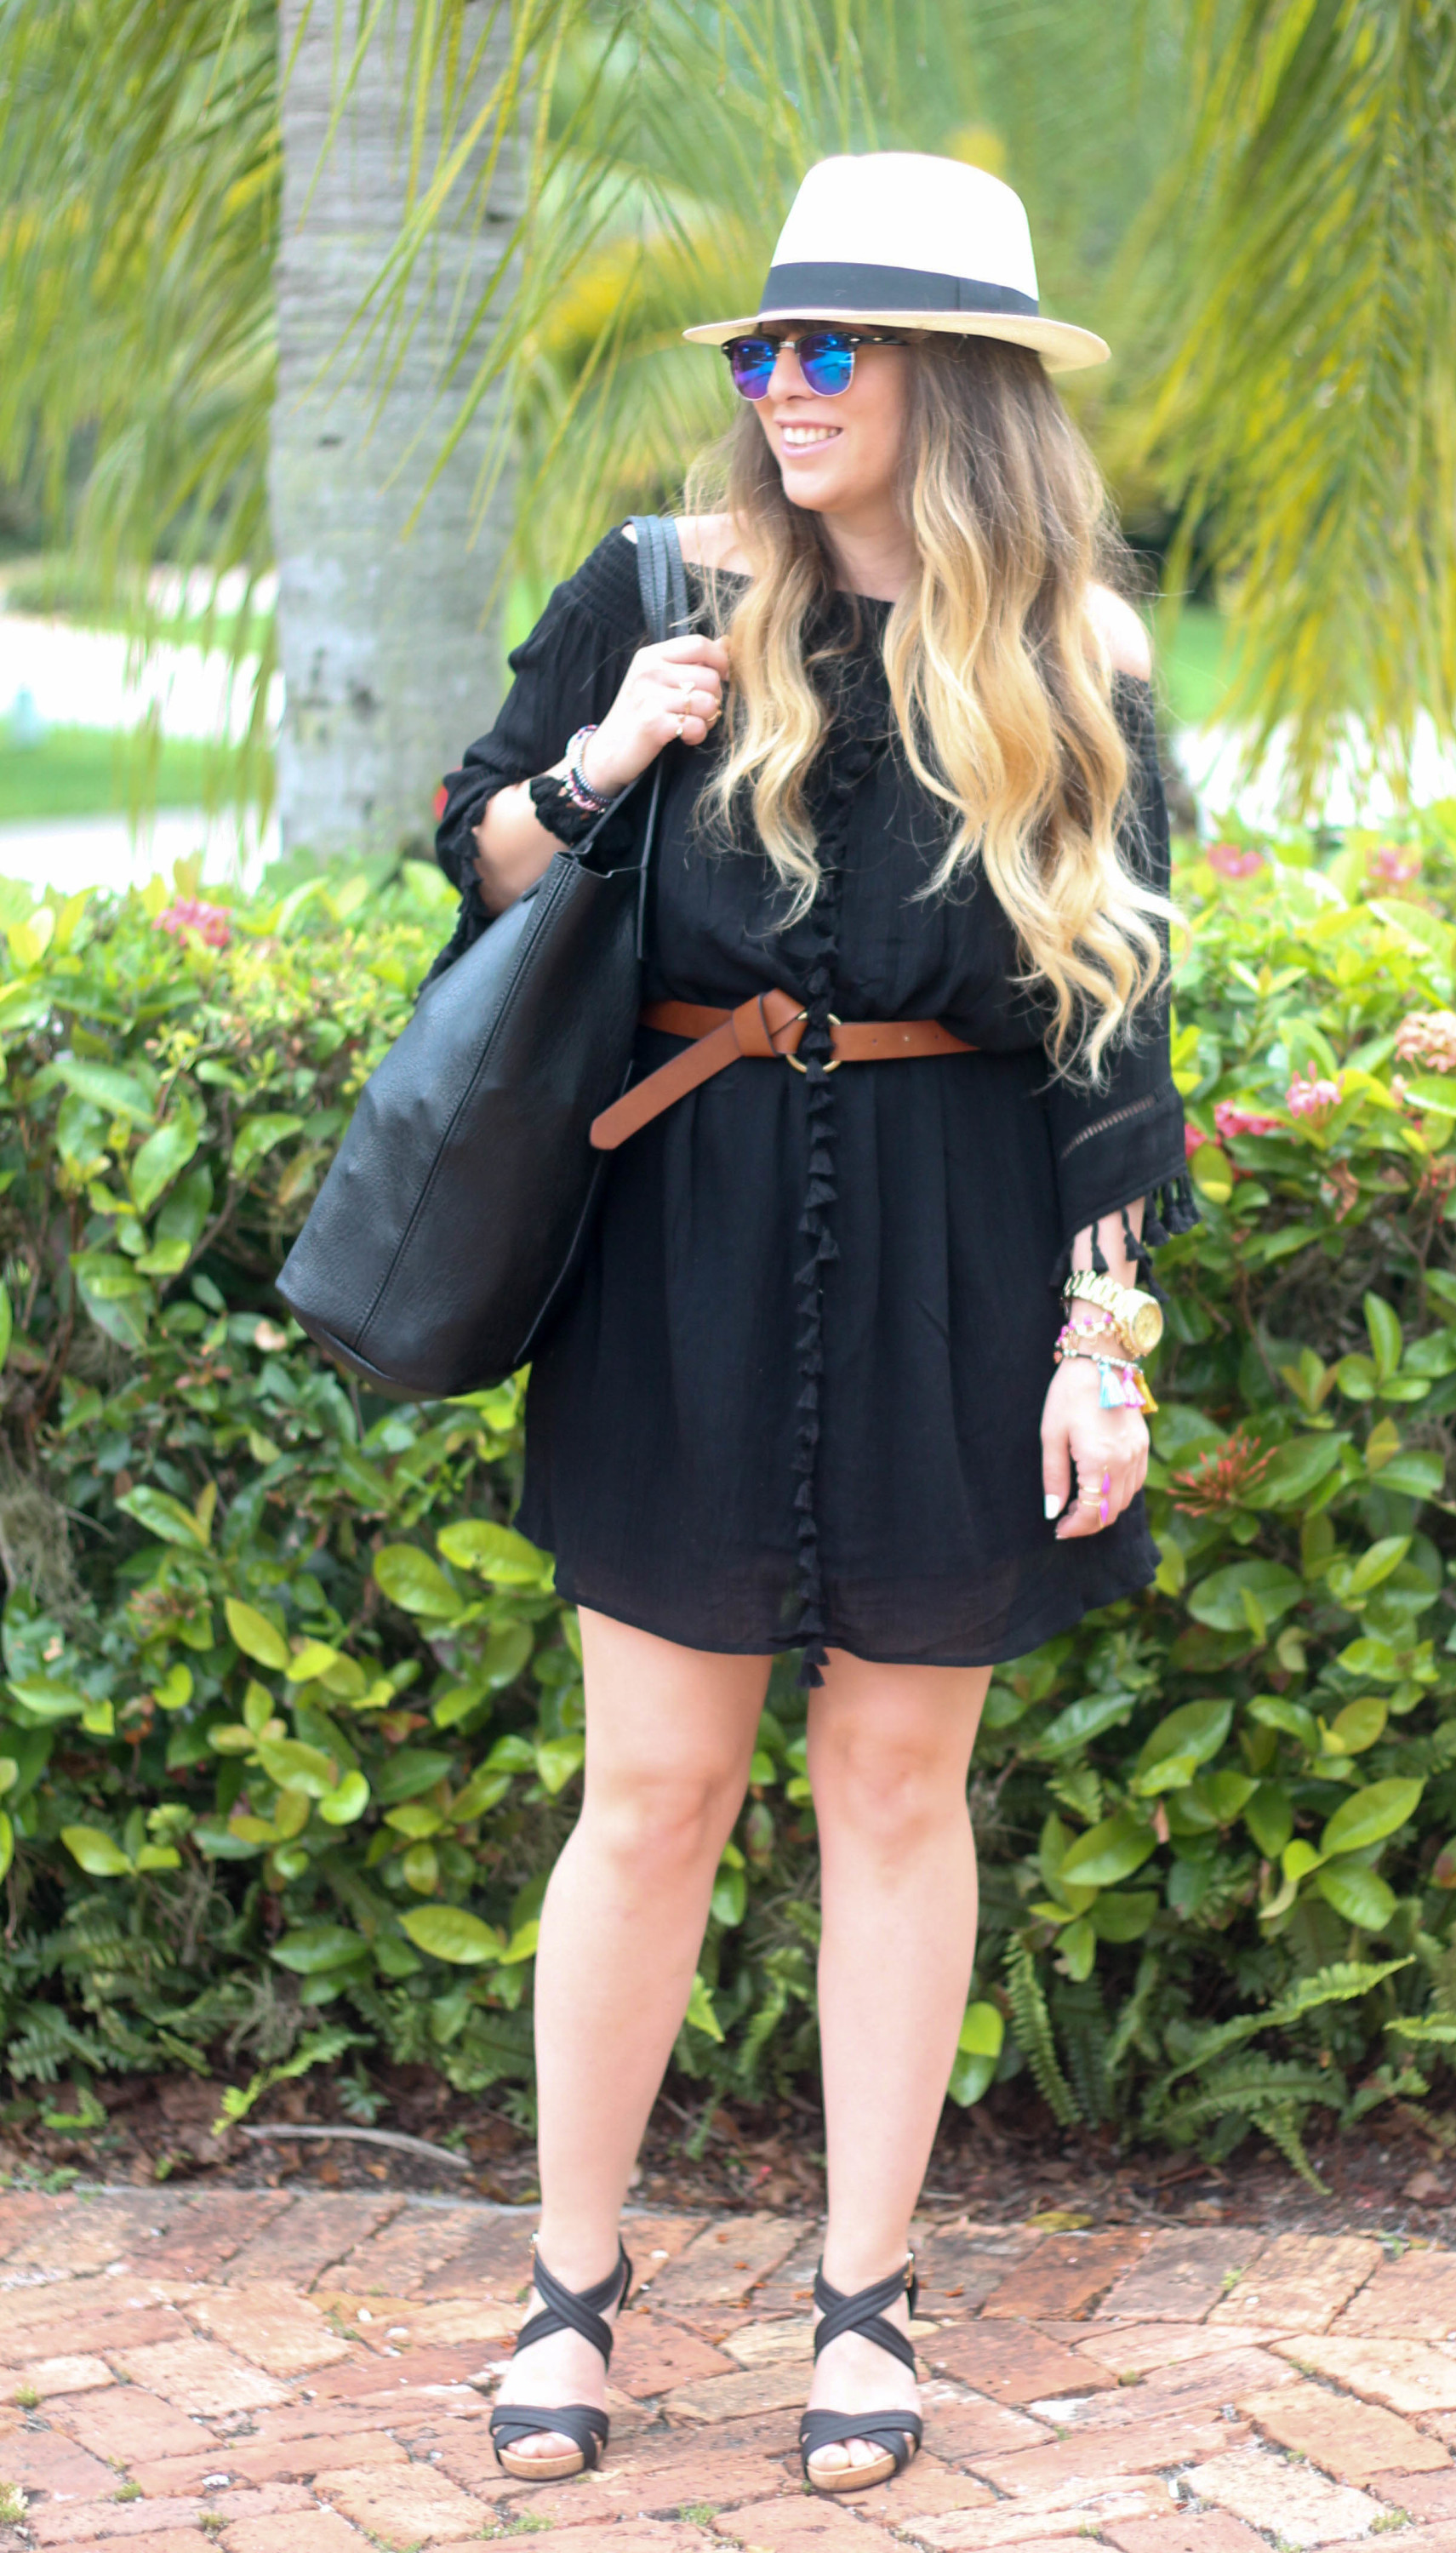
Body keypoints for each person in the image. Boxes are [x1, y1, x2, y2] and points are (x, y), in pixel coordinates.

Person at [432, 151, 1196, 2499]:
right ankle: (574, 2285)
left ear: (948, 383)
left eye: (825, 348)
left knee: (892, 1788)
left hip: (964, 1258)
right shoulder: (661, 594)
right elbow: (470, 852)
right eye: (761, 349)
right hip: (684, 1239)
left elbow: (1117, 1041)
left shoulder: (1078, 658)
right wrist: (606, 757)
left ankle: (865, 2302)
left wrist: (1103, 1339)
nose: (777, 386)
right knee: (649, 1794)